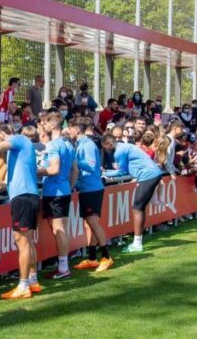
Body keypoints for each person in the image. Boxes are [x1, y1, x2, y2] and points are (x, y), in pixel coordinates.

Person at [0, 123, 40, 299]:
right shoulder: (19, 151)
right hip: (28, 196)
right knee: (27, 242)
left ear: (0, 133)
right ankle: (33, 280)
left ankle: (23, 286)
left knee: (22, 243)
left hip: (23, 198)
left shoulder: (17, 139)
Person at [102, 134, 165, 253]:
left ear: (108, 144)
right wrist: (109, 172)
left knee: (137, 209)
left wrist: (106, 174)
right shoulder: (125, 146)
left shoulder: (119, 152)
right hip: (152, 175)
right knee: (139, 208)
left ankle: (137, 243)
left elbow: (122, 171)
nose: (105, 150)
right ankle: (137, 242)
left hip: (148, 176)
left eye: (104, 147)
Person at [68, 117, 112, 272]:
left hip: (92, 189)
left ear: (76, 129)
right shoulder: (79, 144)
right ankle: (92, 258)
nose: (68, 131)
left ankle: (106, 257)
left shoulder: (87, 145)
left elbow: (93, 166)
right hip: (86, 188)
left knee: (93, 223)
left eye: (70, 128)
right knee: (88, 224)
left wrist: (73, 161)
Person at [38, 113, 75, 279]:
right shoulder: (68, 144)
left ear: (53, 126)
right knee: (61, 230)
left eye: (45, 123)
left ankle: (63, 268)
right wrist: (69, 186)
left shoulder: (53, 145)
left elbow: (54, 169)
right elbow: (75, 170)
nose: (43, 126)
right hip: (64, 190)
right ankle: (63, 266)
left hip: (54, 192)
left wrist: (32, 170)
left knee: (58, 230)